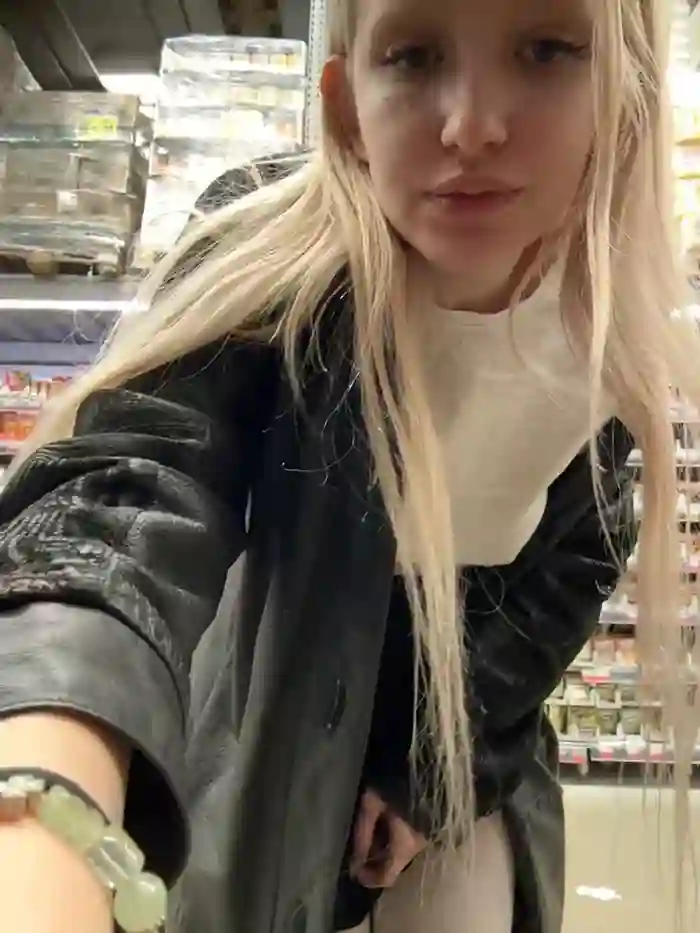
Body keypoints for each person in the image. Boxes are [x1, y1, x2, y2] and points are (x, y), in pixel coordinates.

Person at [0, 1, 697, 932]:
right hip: (265, 725)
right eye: (413, 55)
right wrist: (49, 784)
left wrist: (429, 780)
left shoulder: (605, 319)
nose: (472, 126)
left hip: (464, 739)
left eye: (546, 49)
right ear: (345, 108)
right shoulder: (272, 256)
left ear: (627, 98)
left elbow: (571, 566)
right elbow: (132, 485)